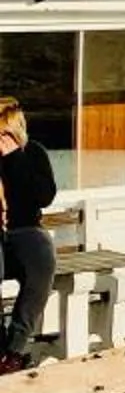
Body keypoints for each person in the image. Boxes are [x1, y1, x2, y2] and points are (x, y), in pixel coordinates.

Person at [0, 98, 59, 375]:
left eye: (4, 133)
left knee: (41, 257)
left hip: (24, 231)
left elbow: (44, 197)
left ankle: (14, 350)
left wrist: (14, 159)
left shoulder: (32, 153)